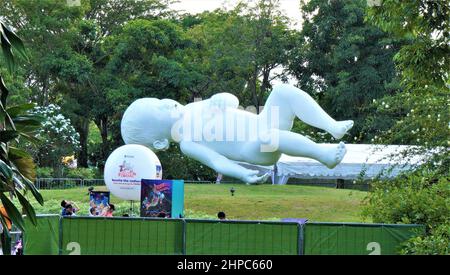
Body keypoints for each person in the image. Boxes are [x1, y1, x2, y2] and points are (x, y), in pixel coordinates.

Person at [121, 84, 354, 184]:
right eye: (161, 110)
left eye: (162, 101)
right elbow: (218, 161)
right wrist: (243, 174)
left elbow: (232, 100)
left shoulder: (194, 107)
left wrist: (223, 98)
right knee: (269, 137)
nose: (167, 103)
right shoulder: (188, 143)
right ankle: (323, 154)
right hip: (253, 148)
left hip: (262, 122)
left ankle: (332, 126)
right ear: (161, 141)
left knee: (283, 92)